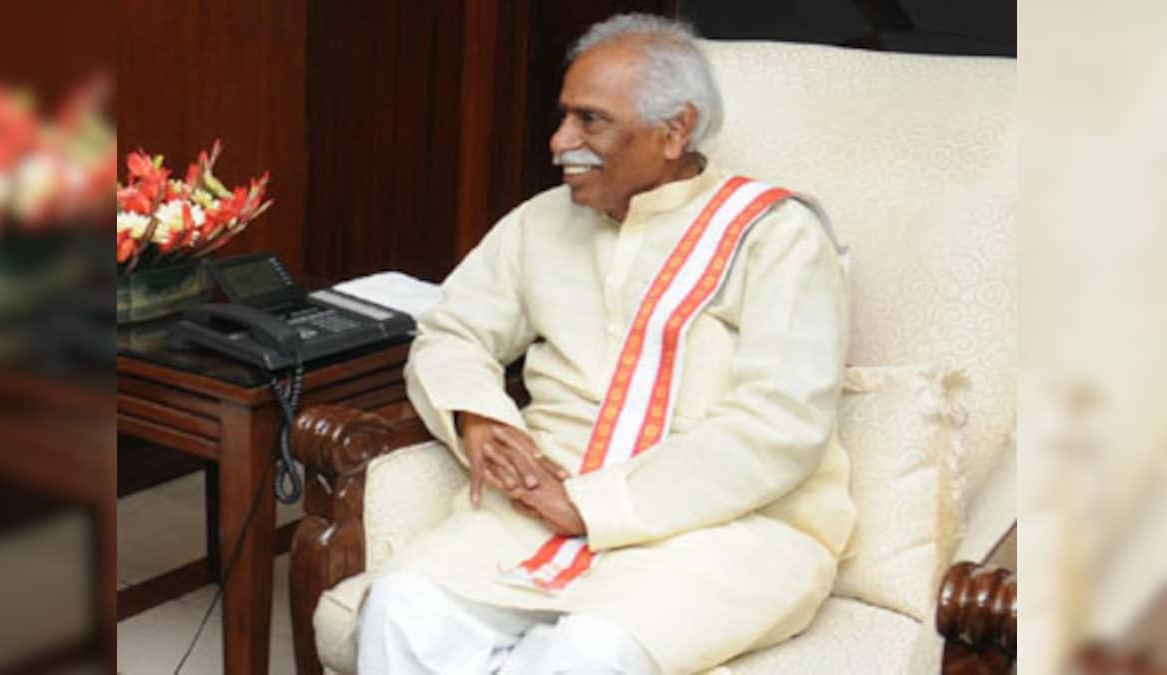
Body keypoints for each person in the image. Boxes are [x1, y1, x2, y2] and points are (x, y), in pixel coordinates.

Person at [357, 13, 855, 675]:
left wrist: (593, 506)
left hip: (723, 530)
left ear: (674, 131)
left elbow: (780, 424)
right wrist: (480, 417)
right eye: (564, 116)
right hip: (536, 503)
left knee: (589, 650)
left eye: (591, 121)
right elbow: (452, 329)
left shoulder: (776, 236)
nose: (561, 140)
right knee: (400, 604)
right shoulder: (542, 221)